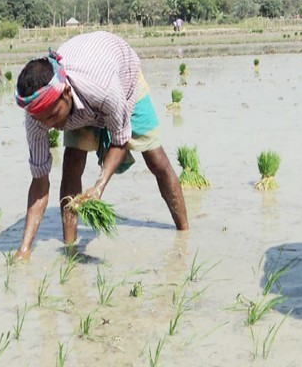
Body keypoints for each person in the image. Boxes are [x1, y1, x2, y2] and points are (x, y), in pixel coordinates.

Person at [13, 31, 189, 259]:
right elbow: (40, 181)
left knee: (156, 160)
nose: (50, 125)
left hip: (124, 80)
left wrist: (99, 186)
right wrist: (24, 249)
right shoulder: (38, 116)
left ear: (66, 92)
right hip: (82, 98)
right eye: (43, 119)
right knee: (72, 162)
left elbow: (120, 139)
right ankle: (70, 247)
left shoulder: (104, 89)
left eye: (53, 116)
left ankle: (184, 233)